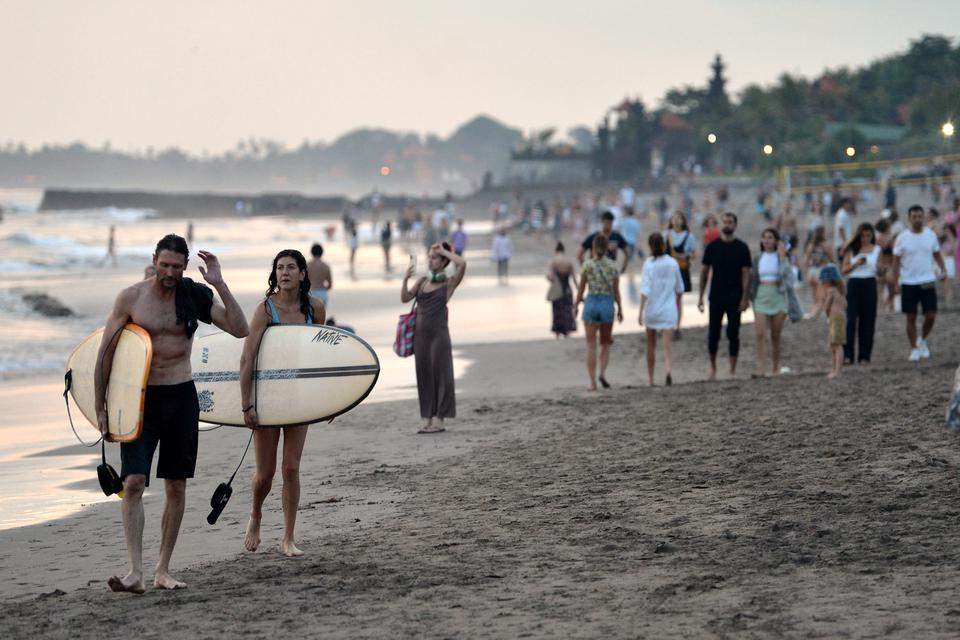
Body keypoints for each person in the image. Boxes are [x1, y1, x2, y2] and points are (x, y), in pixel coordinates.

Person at [95, 234, 248, 593]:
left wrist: (219, 283)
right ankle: (135, 572)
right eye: (164, 265)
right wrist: (101, 406)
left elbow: (239, 328)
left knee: (175, 485)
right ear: (154, 260)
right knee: (133, 482)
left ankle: (162, 569)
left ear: (184, 266)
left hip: (181, 397)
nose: (170, 272)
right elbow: (105, 353)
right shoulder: (132, 297)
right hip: (140, 399)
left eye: (177, 267)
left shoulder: (193, 294)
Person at [241, 250, 326, 558]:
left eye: (291, 267)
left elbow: (320, 358)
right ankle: (256, 515)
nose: (285, 272)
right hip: (268, 397)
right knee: (266, 473)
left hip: (299, 396)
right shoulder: (265, 310)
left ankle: (288, 537)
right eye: (280, 268)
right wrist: (246, 403)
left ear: (303, 274)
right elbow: (247, 357)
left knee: (291, 468)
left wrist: (329, 401)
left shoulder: (315, 308)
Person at [401, 242, 466, 434]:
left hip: (439, 336)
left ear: (444, 261)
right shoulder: (422, 281)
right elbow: (405, 298)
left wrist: (444, 250)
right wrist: (405, 279)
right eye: (430, 257)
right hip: (420, 338)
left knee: (442, 376)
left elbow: (462, 264)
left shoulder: (449, 283)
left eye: (435, 257)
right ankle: (427, 419)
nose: (431, 260)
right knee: (424, 376)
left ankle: (439, 420)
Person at [698, 212, 752, 380]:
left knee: (733, 333)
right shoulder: (712, 247)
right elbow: (704, 272)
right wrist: (700, 297)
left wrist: (745, 298)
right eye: (725, 222)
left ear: (735, 225)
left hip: (735, 297)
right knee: (713, 334)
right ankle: (712, 368)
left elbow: (746, 274)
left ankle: (732, 369)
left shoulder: (742, 247)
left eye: (730, 222)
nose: (727, 224)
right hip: (716, 296)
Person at [893, 205, 947, 361]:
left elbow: (937, 255)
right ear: (909, 218)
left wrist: (943, 270)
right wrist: (896, 282)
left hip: (927, 280)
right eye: (914, 217)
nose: (917, 220)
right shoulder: (902, 238)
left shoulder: (930, 235)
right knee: (911, 316)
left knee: (931, 315)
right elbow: (896, 263)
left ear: (923, 217)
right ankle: (914, 349)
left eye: (919, 216)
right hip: (909, 282)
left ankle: (922, 339)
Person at [575, 235, 623, 390]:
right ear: (607, 247)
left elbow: (581, 289)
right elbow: (616, 291)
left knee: (590, 345)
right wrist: (620, 309)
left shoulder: (587, 265)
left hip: (591, 303)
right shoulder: (613, 266)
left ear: (593, 248)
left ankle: (592, 382)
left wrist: (576, 305)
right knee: (605, 344)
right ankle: (602, 373)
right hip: (607, 304)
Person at [638, 233, 684, 386]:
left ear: (650, 246)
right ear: (664, 245)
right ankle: (668, 370)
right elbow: (679, 289)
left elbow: (645, 290)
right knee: (666, 345)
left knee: (650, 345)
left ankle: (651, 379)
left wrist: (640, 312)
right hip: (669, 309)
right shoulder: (672, 263)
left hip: (652, 309)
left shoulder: (648, 264)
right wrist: (676, 306)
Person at [748, 228, 792, 377]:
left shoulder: (781, 258)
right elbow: (752, 279)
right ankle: (760, 369)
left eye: (770, 237)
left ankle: (776, 367)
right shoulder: (757, 258)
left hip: (777, 296)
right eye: (764, 237)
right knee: (760, 334)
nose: (767, 240)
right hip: (761, 296)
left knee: (776, 335)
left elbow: (787, 276)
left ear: (776, 241)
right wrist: (748, 298)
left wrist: (783, 256)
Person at [839, 223, 879, 364]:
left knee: (867, 320)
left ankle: (864, 355)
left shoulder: (877, 250)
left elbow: (880, 269)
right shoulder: (852, 250)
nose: (865, 239)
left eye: (868, 236)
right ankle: (848, 355)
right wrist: (856, 264)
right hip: (854, 283)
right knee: (850, 320)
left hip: (870, 283)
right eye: (862, 236)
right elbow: (843, 270)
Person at [664, 211, 697, 337]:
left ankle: (677, 327)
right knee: (668, 299)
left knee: (678, 300)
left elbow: (694, 254)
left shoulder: (689, 236)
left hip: (682, 270)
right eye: (674, 218)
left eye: (679, 218)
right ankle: (668, 325)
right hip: (667, 272)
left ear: (683, 221)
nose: (676, 221)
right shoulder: (666, 235)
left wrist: (685, 255)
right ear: (671, 221)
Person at [820, 264, 847, 379]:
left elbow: (827, 306)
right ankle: (835, 369)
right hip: (839, 317)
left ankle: (837, 371)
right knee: (834, 345)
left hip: (835, 319)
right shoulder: (840, 292)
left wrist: (826, 314)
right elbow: (845, 305)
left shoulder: (831, 291)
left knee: (837, 345)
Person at [801, 227, 834, 318]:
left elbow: (805, 261)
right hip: (821, 272)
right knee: (821, 298)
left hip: (811, 272)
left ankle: (815, 314)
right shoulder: (826, 245)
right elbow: (832, 260)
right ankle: (813, 315)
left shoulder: (811, 245)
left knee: (814, 297)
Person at [547, 242, 578, 338]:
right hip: (567, 289)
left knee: (557, 311)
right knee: (568, 311)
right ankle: (568, 332)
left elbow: (551, 277)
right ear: (564, 250)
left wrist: (548, 278)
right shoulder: (569, 261)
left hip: (557, 290)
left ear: (556, 251)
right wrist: (579, 291)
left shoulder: (553, 261)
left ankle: (557, 333)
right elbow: (574, 279)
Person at [307, 243, 333, 308]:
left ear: (311, 252)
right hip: (323, 292)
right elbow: (330, 284)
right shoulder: (326, 266)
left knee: (310, 316)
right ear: (322, 253)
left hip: (311, 292)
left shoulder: (308, 265)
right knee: (321, 316)